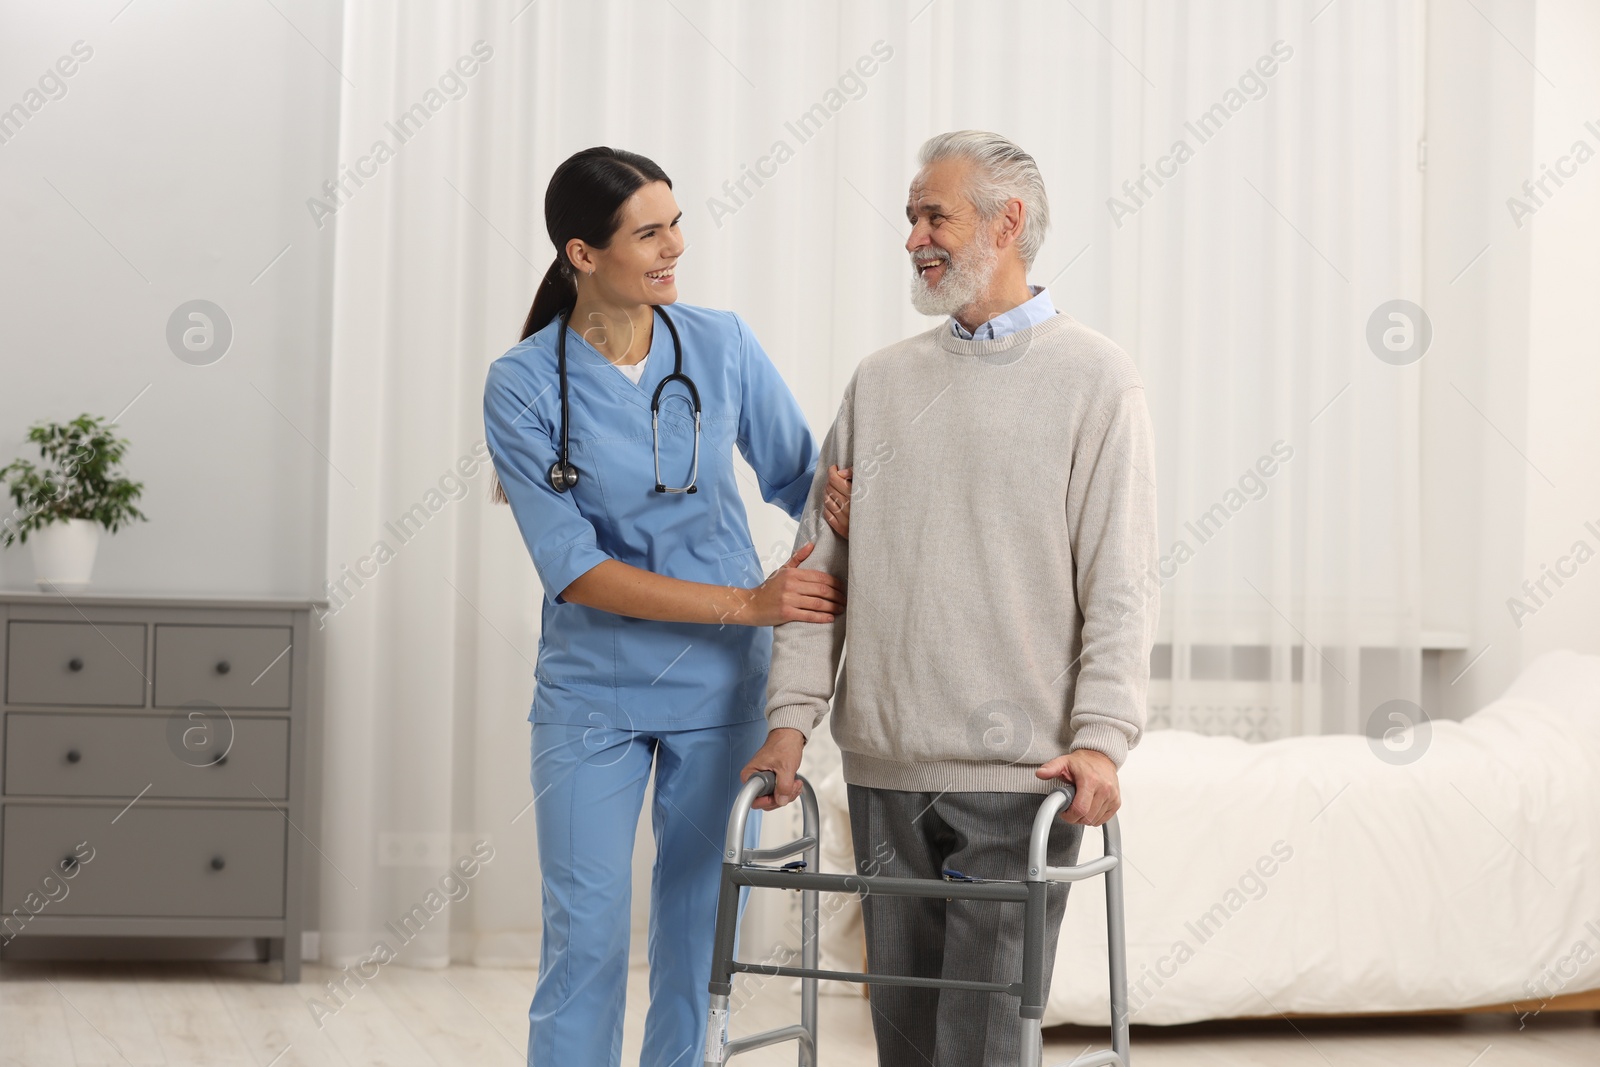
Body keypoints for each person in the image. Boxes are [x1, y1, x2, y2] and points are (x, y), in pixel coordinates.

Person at [740, 130, 1160, 1065]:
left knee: (979, 1043)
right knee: (903, 1039)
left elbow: (1121, 581)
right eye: (910, 217)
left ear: (1006, 223)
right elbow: (819, 576)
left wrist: (1102, 738)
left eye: (935, 215)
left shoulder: (1096, 379)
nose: (914, 237)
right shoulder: (881, 381)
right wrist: (790, 721)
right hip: (885, 766)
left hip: (1018, 776)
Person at [483, 146, 854, 1067]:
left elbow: (799, 478)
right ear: (582, 252)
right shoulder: (524, 383)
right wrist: (749, 601)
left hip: (720, 692)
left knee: (695, 938)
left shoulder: (718, 343)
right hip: (591, 693)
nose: (674, 246)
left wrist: (840, 499)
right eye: (649, 232)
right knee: (587, 936)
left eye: (676, 223)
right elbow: (576, 570)